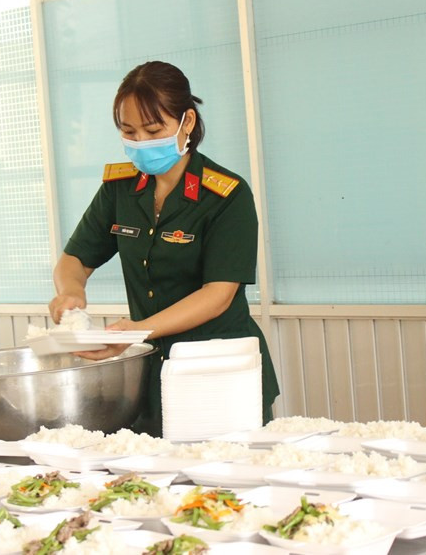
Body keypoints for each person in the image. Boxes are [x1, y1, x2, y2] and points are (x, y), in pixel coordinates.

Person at [48, 61, 280, 436]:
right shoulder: (120, 189)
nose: (141, 143)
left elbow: (218, 295)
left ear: (186, 123)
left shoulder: (225, 195)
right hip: (153, 373)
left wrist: (136, 331)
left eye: (153, 130)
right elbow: (75, 259)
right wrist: (71, 291)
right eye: (129, 132)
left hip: (219, 370)